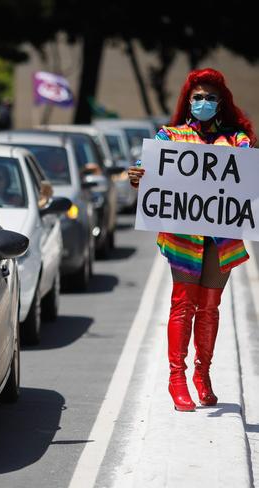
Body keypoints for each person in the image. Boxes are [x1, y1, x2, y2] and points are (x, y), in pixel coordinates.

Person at [128, 68, 256, 412]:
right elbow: (148, 163)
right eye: (197, 97)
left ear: (221, 102)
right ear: (188, 99)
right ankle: (176, 379)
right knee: (183, 303)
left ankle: (203, 375)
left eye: (210, 97)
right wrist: (139, 173)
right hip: (183, 236)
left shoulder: (236, 140)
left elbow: (247, 169)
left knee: (210, 307)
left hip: (223, 237)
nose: (203, 102)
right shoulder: (171, 136)